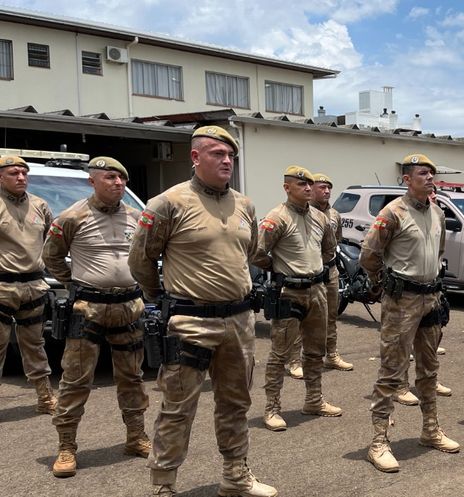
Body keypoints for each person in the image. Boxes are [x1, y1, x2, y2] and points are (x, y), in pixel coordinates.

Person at [129, 126, 275, 497]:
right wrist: (161, 298)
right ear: (195, 157)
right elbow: (141, 260)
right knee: (178, 408)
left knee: (236, 403)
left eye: (231, 156)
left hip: (239, 322)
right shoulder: (168, 203)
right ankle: (164, 484)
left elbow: (249, 253)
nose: (227, 161)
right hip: (190, 322)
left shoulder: (245, 205)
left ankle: (235, 476)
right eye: (217, 154)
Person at [44, 157, 150, 478]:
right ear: (92, 181)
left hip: (129, 306)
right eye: (110, 177)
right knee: (76, 380)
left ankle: (136, 437)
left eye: (122, 178)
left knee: (132, 376)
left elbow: (146, 255)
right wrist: (75, 284)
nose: (118, 183)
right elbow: (51, 256)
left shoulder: (136, 216)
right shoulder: (72, 216)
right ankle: (66, 446)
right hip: (88, 309)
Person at [359, 153, 458, 472]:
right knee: (392, 371)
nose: (429, 178)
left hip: (431, 298)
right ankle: (378, 442)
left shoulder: (438, 212)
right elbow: (369, 255)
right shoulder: (392, 213)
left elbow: (438, 252)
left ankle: (430, 430)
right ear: (406, 179)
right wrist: (384, 283)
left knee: (429, 369)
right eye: (422, 173)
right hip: (401, 301)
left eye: (431, 173)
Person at [254, 166, 342, 432]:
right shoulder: (277, 217)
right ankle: (272, 408)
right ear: (287, 188)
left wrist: (311, 268)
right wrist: (280, 267)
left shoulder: (320, 217)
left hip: (317, 290)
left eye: (309, 184)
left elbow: (329, 250)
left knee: (315, 351)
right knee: (280, 353)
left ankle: (314, 400)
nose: (307, 188)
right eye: (301, 184)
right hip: (288, 292)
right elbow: (257, 252)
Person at [0, 154, 55, 415]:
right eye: (14, 173)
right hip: (2, 286)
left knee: (35, 345)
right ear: (0, 177)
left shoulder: (40, 205)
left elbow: (50, 241)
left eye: (24, 173)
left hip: (34, 285)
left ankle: (45, 398)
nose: (21, 177)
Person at [311, 173, 354, 371]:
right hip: (309, 273)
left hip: (330, 271)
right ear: (311, 188)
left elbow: (337, 240)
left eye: (329, 187)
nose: (327, 191)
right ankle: (296, 359)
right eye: (322, 187)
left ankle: (332, 354)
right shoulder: (304, 213)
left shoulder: (335, 215)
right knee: (304, 318)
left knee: (331, 316)